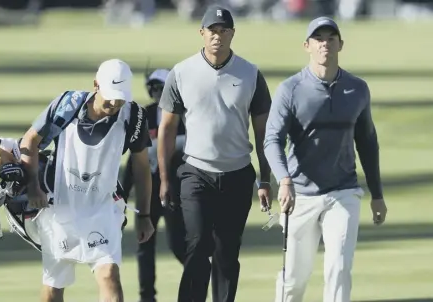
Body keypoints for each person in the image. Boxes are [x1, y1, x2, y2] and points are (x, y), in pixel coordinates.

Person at [263, 17, 388, 302]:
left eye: (331, 38)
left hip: (343, 192)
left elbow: (367, 143)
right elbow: (272, 140)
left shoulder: (357, 89)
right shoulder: (290, 90)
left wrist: (377, 195)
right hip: (300, 195)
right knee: (294, 280)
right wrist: (283, 179)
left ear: (340, 44)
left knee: (339, 269)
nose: (325, 44)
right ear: (307, 46)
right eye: (318, 39)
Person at [157, 5, 273, 302]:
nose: (217, 37)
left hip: (237, 173)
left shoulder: (250, 74)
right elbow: (167, 131)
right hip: (196, 172)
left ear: (232, 33)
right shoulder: (182, 73)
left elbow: (263, 133)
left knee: (227, 252)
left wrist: (265, 180)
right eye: (212, 31)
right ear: (202, 33)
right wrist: (165, 179)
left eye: (224, 31)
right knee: (196, 247)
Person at [19, 59, 155, 302]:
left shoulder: (133, 116)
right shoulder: (66, 105)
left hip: (103, 208)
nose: (115, 103)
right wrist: (33, 187)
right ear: (96, 84)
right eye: (110, 95)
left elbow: (142, 167)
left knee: (109, 274)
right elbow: (29, 142)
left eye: (121, 96)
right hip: (59, 209)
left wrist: (144, 215)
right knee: (53, 288)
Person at [121, 68, 187, 302]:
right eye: (154, 88)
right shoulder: (143, 115)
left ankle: (195, 289)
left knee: (179, 244)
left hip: (176, 191)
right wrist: (122, 190)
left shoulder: (185, 116)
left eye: (162, 87)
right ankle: (146, 297)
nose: (158, 92)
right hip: (147, 191)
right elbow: (134, 157)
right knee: (144, 245)